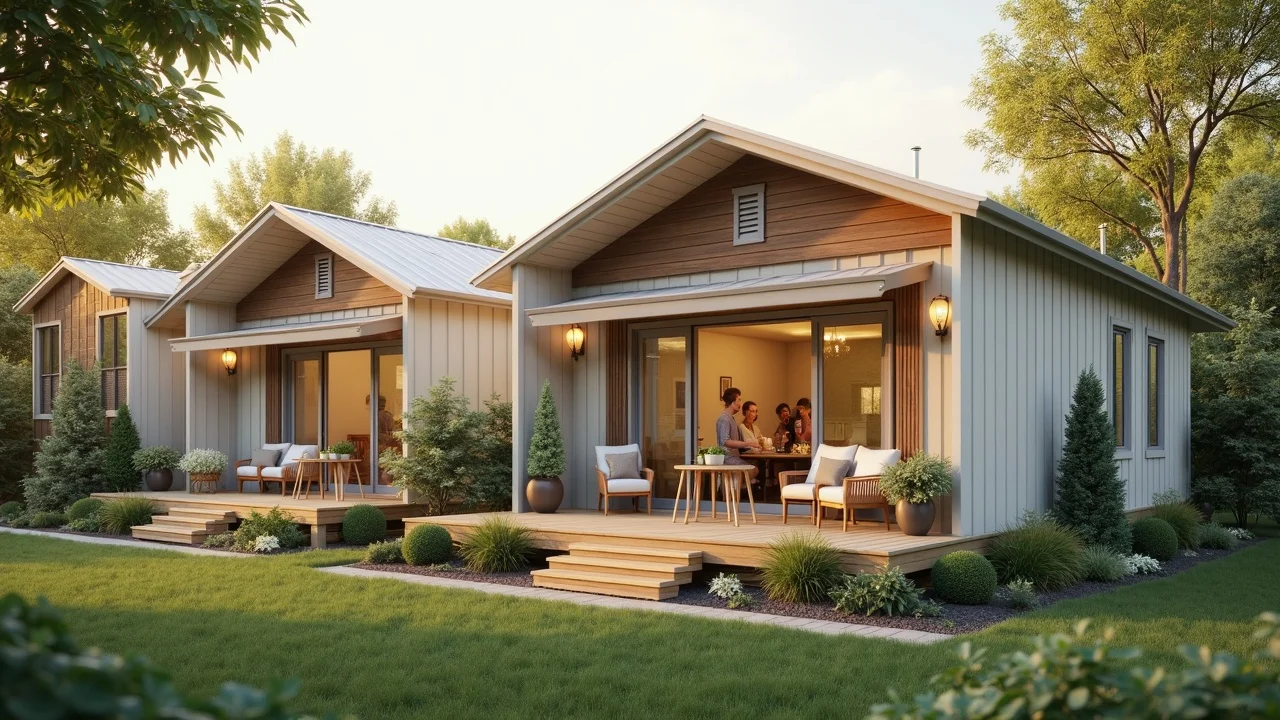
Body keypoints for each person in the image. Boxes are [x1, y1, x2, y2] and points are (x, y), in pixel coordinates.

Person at [715, 387, 759, 484]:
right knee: (753, 470)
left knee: (755, 469)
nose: (740, 403)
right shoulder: (724, 419)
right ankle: (732, 487)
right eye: (739, 400)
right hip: (728, 458)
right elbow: (725, 441)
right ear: (733, 402)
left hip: (735, 457)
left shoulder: (731, 418)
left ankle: (735, 486)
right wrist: (746, 443)